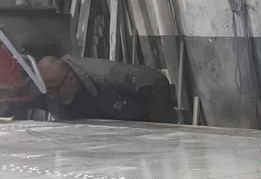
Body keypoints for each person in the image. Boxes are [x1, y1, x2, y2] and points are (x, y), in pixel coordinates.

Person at [0, 43, 175, 122]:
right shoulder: (46, 89)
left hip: (135, 127)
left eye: (54, 90)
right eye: (48, 92)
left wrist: (159, 127)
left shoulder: (106, 76)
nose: (52, 96)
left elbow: (156, 81)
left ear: (70, 78)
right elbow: (16, 103)